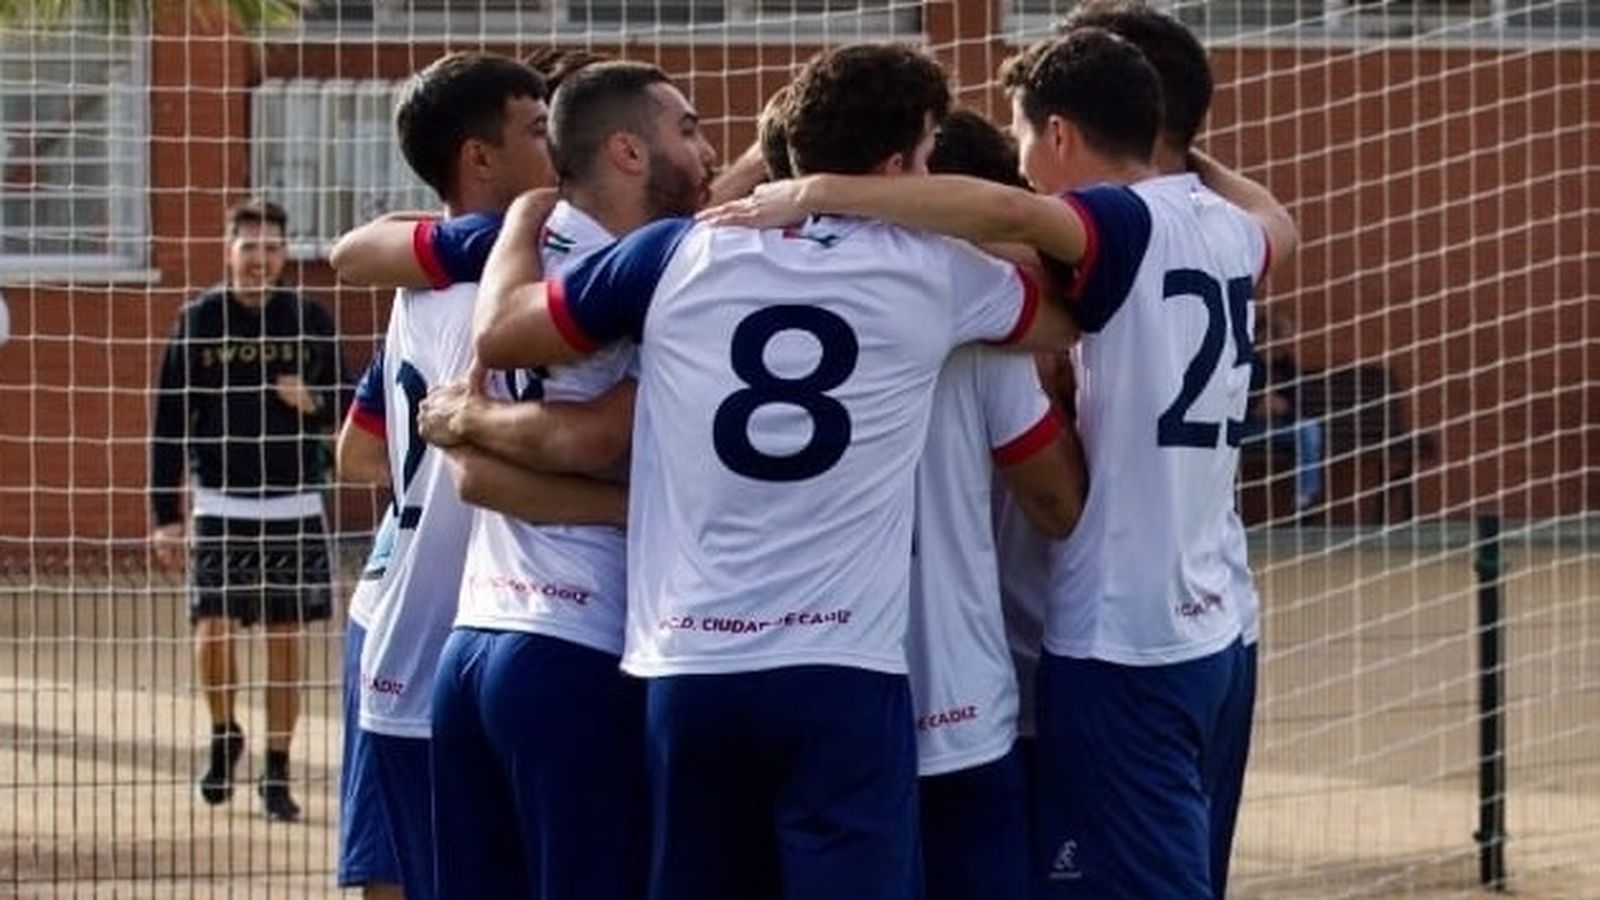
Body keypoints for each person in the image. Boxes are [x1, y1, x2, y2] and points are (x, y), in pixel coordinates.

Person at [699, 27, 1299, 899]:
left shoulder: (1116, 224)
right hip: (1213, 623)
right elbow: (1283, 220)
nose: (1019, 163)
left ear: (1058, 133)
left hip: (1118, 638)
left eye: (1022, 135)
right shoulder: (1232, 231)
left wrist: (812, 190)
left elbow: (1010, 218)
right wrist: (1189, 154)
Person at [475, 42, 1076, 900]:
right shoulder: (937, 271)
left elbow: (505, 333)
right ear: (898, 165)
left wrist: (521, 219)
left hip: (689, 666)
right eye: (926, 154)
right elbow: (1065, 314)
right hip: (840, 670)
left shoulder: (673, 253)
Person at [352, 59, 717, 899]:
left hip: (470, 644)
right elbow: (593, 438)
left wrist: (474, 418)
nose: (708, 153)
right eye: (689, 129)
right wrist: (647, 508)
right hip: (577, 643)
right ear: (625, 151)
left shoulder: (480, 269)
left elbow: (468, 476)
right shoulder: (653, 277)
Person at [327, 50, 558, 900]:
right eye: (541, 129)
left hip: (394, 606)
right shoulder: (515, 289)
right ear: (479, 157)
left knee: (403, 866)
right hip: (458, 615)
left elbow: (357, 453)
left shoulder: (418, 283)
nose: (561, 148)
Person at [910, 106, 1087, 900]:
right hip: (982, 688)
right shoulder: (986, 324)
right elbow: (1060, 504)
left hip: (1013, 682)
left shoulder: (1056, 312)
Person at [149, 197, 349, 823]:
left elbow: (351, 403)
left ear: (284, 253)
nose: (261, 259)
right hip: (218, 500)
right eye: (250, 247)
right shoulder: (198, 321)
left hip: (294, 502)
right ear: (229, 250)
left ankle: (278, 769)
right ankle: (223, 734)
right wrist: (165, 515)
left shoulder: (309, 320)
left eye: (272, 248)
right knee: (212, 626)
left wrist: (313, 402)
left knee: (286, 637)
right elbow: (168, 423)